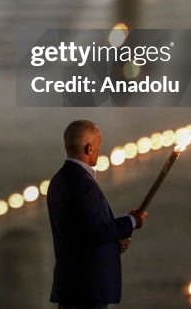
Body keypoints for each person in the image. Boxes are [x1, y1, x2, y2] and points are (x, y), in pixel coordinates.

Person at [47, 120, 146, 309]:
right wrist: (132, 221)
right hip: (87, 288)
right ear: (90, 147)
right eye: (99, 147)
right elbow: (96, 231)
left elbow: (80, 235)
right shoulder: (83, 183)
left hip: (71, 285)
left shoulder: (59, 180)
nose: (100, 151)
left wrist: (113, 245)